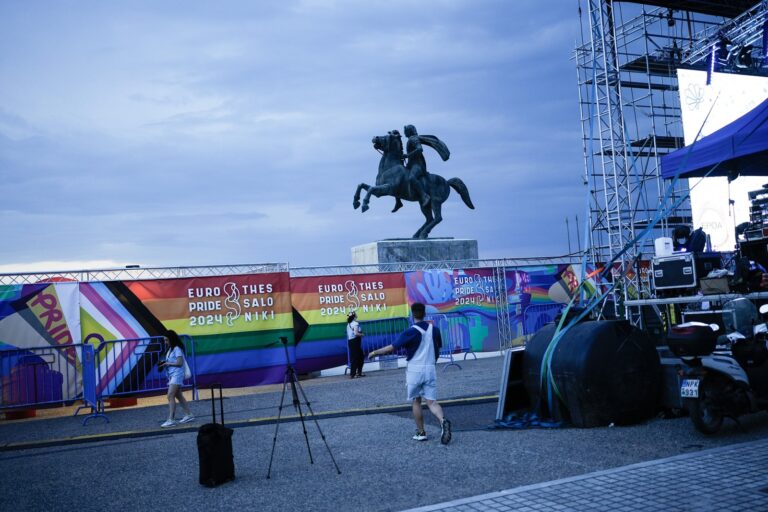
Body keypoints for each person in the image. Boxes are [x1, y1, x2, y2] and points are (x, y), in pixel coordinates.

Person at [368, 302, 451, 444]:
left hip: (415, 370)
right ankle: (443, 421)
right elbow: (438, 348)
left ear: (413, 315)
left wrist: (374, 352)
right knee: (431, 402)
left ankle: (421, 432)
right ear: (424, 314)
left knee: (416, 401)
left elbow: (392, 347)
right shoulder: (434, 330)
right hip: (430, 368)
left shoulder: (410, 332)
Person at [158, 330, 194, 427]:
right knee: (178, 396)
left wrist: (166, 363)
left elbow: (179, 363)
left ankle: (171, 419)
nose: (165, 342)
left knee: (170, 395)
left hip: (177, 375)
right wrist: (165, 363)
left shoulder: (177, 349)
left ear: (171, 339)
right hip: (173, 375)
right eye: (164, 340)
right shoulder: (171, 349)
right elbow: (175, 362)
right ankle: (189, 414)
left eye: (166, 340)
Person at [346, 310, 365, 378]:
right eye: (356, 314)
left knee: (358, 357)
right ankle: (354, 374)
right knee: (358, 357)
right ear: (354, 316)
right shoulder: (355, 323)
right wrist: (362, 334)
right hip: (355, 341)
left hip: (351, 342)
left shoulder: (349, 324)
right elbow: (356, 333)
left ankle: (357, 373)